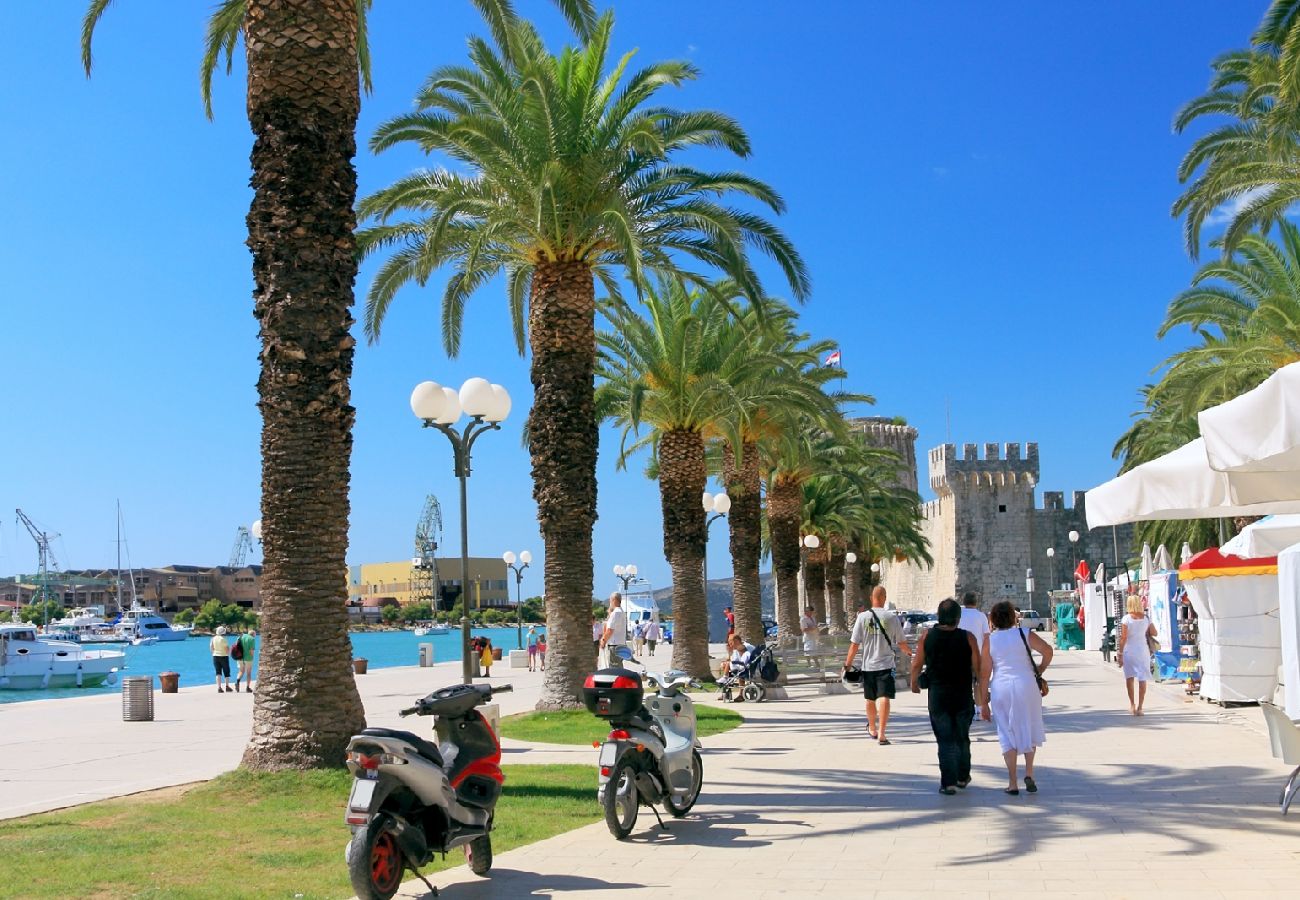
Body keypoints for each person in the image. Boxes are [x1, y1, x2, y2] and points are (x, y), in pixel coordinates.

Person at [979, 600, 1054, 795]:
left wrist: (983, 703)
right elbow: (1048, 650)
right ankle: (1029, 773)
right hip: (1027, 685)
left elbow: (985, 673)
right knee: (1029, 727)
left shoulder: (990, 641)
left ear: (993, 619)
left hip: (1001, 688)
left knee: (1006, 732)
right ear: (1013, 617)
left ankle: (1012, 783)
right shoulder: (1024, 634)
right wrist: (1040, 669)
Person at [911, 598, 980, 794]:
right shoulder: (968, 638)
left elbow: (916, 663)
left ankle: (948, 782)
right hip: (962, 696)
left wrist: (914, 682)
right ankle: (962, 776)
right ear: (958, 619)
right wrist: (983, 691)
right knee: (962, 737)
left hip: (938, 696)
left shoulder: (927, 636)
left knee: (945, 739)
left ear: (939, 617)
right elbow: (978, 667)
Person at [844, 586, 911, 745]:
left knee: (870, 699)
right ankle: (882, 733)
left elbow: (854, 645)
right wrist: (910, 652)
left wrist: (847, 664)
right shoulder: (892, 618)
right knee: (885, 697)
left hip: (868, 666)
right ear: (885, 598)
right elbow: (901, 643)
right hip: (886, 665)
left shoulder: (862, 617)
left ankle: (872, 728)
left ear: (870, 597)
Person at [1118, 595, 1157, 715]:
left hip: (1129, 651)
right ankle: (1140, 707)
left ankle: (1132, 705)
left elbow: (1123, 638)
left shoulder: (1126, 619)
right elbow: (1154, 633)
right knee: (1142, 678)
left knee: (1129, 678)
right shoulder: (1146, 618)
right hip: (1143, 650)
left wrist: (1120, 652)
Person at [600, 593, 627, 667]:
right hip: (620, 643)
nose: (610, 603)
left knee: (614, 668)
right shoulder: (621, 612)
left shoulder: (616, 613)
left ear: (614, 600)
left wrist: (603, 640)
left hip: (615, 645)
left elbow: (610, 630)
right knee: (618, 666)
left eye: (610, 600)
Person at [210, 625, 233, 694]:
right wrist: (228, 653)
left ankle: (219, 687)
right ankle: (227, 686)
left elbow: (211, 647)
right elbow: (227, 649)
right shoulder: (223, 639)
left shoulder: (213, 638)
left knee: (218, 672)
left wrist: (214, 653)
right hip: (224, 656)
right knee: (226, 672)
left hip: (215, 656)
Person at [233, 628, 257, 694]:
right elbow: (251, 650)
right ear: (253, 634)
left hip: (240, 657)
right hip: (248, 658)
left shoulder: (240, 637)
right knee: (248, 673)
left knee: (241, 671)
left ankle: (237, 682)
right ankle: (247, 687)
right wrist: (252, 657)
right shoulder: (252, 639)